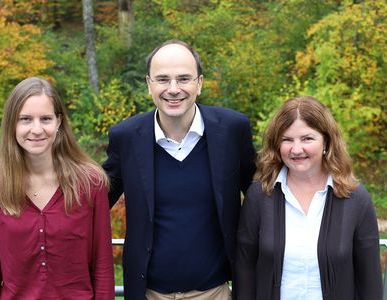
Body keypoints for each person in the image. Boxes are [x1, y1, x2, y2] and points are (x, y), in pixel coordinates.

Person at [102, 39, 256, 299]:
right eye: (162, 79)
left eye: (183, 78)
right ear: (149, 84)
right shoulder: (126, 137)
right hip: (150, 293)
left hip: (215, 292)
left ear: (200, 83)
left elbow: (262, 195)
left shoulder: (231, 130)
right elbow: (94, 200)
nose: (173, 89)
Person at [0, 77, 115, 299]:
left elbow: (103, 263)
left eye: (46, 119)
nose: (37, 129)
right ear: (12, 123)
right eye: (26, 119)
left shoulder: (90, 182)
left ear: (59, 122)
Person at [235, 96, 382, 300]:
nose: (296, 149)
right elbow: (245, 269)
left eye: (307, 138)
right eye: (287, 139)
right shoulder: (259, 195)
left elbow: (370, 280)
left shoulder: (355, 198)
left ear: (326, 142)